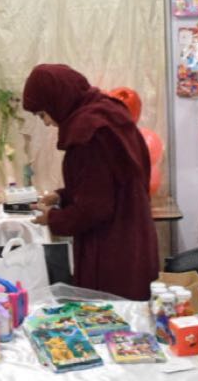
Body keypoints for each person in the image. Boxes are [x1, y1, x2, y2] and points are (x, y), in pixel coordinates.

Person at [21, 64, 159, 300]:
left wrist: (52, 219)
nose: (47, 123)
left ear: (58, 100)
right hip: (134, 235)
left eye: (43, 114)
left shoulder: (88, 133)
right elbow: (111, 181)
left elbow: (95, 208)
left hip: (110, 249)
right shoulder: (110, 113)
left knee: (109, 317)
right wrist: (62, 195)